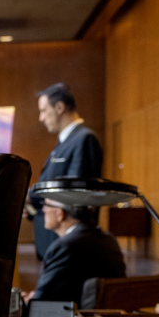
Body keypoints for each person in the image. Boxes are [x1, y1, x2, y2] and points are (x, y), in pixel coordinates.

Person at [27, 82, 103, 260]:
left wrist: (31, 196)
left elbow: (72, 193)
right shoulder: (64, 142)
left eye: (44, 110)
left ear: (59, 107)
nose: (41, 118)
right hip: (52, 242)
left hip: (69, 245)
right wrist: (31, 205)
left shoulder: (84, 139)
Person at [25, 198, 125, 305]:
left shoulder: (65, 246)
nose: (44, 209)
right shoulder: (108, 238)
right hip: (106, 315)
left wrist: (27, 300)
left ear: (60, 213)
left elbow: (38, 303)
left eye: (47, 205)